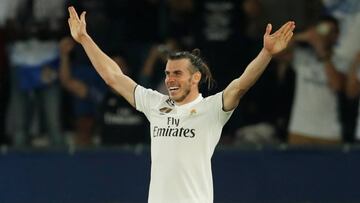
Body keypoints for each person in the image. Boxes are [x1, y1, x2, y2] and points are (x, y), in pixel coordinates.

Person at [67, 6, 295, 203]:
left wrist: (266, 53)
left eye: (177, 73)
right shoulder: (155, 104)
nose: (170, 79)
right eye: (167, 73)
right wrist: (85, 39)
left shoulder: (212, 109)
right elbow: (113, 77)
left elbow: (240, 86)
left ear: (195, 78)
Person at [288, 16, 344, 145]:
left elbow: (337, 85)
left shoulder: (341, 60)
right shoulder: (302, 55)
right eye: (323, 29)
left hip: (329, 133)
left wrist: (322, 50)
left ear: (336, 36)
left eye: (331, 31)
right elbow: (276, 53)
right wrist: (303, 36)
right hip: (299, 130)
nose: (326, 34)